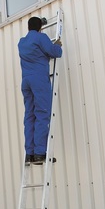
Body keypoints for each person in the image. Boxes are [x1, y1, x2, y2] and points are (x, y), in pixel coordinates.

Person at [18, 17, 62, 165]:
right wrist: (58, 45)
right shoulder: (41, 37)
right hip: (38, 80)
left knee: (29, 115)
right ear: (40, 28)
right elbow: (54, 52)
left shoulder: (22, 42)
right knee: (42, 113)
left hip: (26, 81)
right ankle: (39, 154)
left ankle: (29, 153)